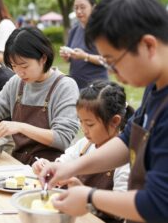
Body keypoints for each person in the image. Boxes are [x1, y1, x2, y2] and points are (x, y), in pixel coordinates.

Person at [39, 0, 168, 222]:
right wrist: (69, 168)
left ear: (148, 45)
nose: (113, 73)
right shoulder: (155, 84)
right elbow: (128, 139)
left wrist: (90, 197)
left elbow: (159, 203)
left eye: (112, 61)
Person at [0, 27, 79, 165]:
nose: (19, 72)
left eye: (24, 66)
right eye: (14, 66)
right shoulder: (17, 82)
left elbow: (62, 139)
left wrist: (21, 127)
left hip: (51, 168)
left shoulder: (65, 86)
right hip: (19, 164)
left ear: (43, 58)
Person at [33, 80, 133, 223]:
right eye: (81, 121)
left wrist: (88, 198)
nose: (84, 130)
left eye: (90, 124)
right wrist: (48, 167)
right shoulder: (85, 145)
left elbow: (122, 213)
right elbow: (64, 162)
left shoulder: (124, 160)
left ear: (115, 121)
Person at [59, 0, 108, 90]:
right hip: (75, 86)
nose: (78, 11)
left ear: (93, 7)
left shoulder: (101, 29)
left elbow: (107, 60)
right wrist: (67, 56)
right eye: (76, 8)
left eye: (82, 7)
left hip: (97, 88)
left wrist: (85, 56)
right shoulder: (74, 30)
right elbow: (71, 59)